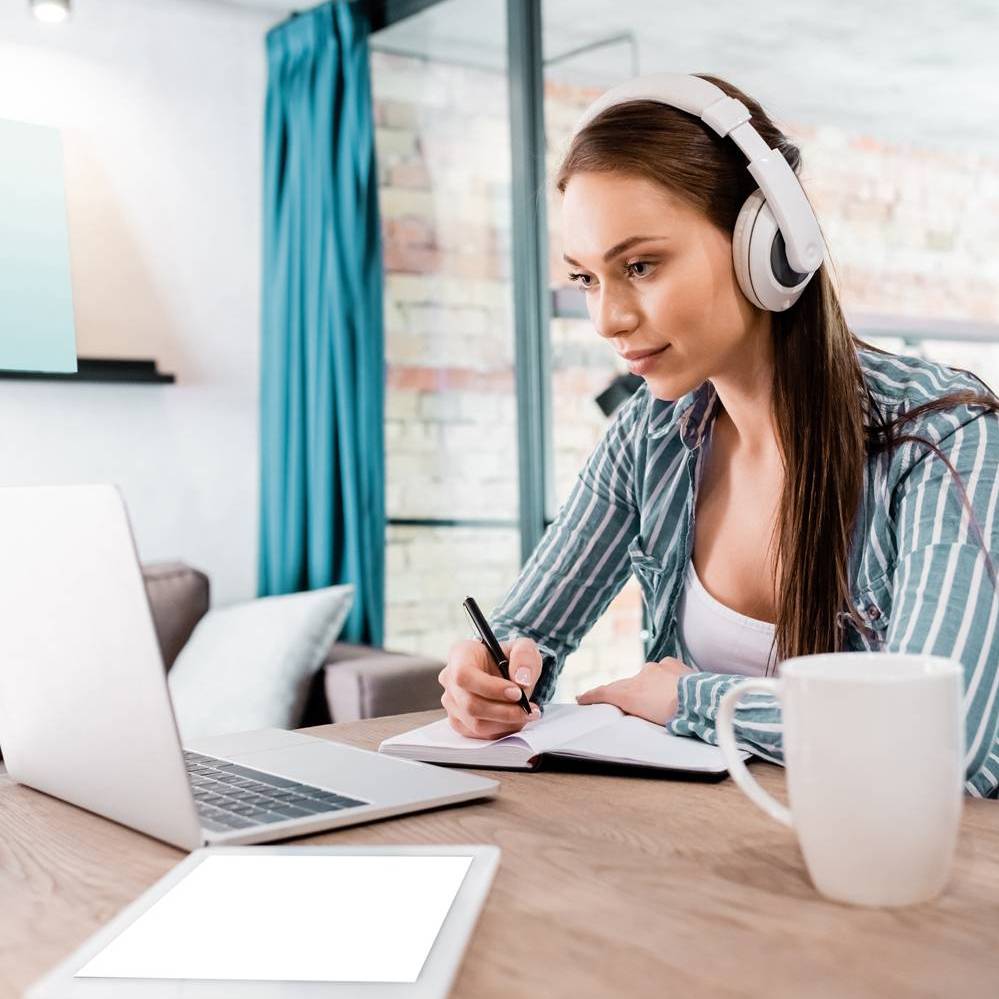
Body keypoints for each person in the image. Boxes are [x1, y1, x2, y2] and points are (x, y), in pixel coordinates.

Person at [436, 73, 999, 798]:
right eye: (585, 279)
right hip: (706, 847)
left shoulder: (941, 437)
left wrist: (690, 698)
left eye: (639, 266)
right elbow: (525, 635)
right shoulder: (648, 436)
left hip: (899, 858)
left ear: (769, 246)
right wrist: (487, 678)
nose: (606, 319)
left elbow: (937, 734)